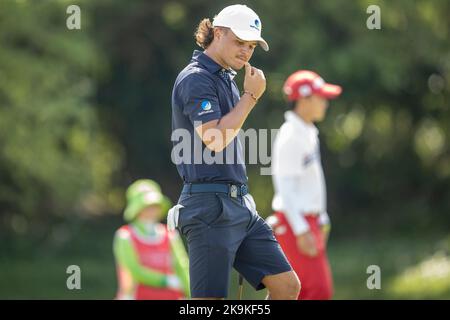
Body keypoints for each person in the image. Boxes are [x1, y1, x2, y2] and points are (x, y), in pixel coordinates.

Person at [169, 4, 300, 299]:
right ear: (217, 33)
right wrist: (251, 96)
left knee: (287, 285)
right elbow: (214, 138)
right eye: (239, 42)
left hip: (239, 204)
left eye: (251, 46)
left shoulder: (225, 77)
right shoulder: (196, 77)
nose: (246, 51)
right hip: (207, 208)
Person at [268, 70, 342, 300]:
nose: (324, 103)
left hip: (307, 222)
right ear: (303, 100)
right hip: (294, 224)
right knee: (316, 291)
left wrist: (320, 219)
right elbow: (285, 186)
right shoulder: (291, 135)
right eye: (320, 98)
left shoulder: (308, 131)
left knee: (303, 292)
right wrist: (301, 230)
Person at [113, 179, 190, 300]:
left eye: (155, 206)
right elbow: (135, 270)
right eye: (146, 207)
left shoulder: (170, 234)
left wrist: (191, 294)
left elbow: (182, 266)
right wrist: (167, 281)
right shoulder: (125, 236)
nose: (152, 211)